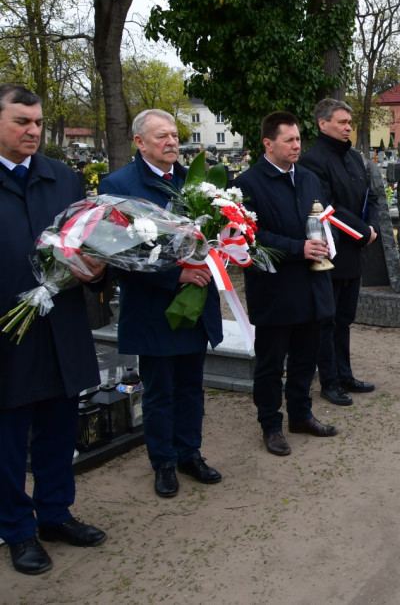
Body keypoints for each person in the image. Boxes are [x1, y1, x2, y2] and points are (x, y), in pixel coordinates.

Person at [0, 84, 108, 575]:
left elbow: (88, 242)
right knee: (7, 438)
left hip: (61, 326)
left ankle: (54, 514)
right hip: (8, 332)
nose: (33, 130)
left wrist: (95, 268)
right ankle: (17, 530)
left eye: (39, 122)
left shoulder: (62, 178)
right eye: (22, 121)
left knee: (58, 428)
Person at [99, 109, 224, 498]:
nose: (172, 142)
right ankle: (164, 462)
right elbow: (118, 255)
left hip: (195, 303)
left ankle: (190, 453)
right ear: (139, 142)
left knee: (191, 387)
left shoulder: (195, 181)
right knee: (159, 391)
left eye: (174, 135)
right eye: (161, 137)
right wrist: (175, 276)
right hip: (153, 309)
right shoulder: (119, 185)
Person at [234, 112, 364, 455]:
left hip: (313, 284)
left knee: (307, 357)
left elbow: (321, 219)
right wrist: (298, 248)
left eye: (298, 139)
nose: (297, 145)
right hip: (276, 289)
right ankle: (270, 424)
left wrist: (327, 242)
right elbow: (251, 236)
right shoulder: (247, 184)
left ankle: (301, 414)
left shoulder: (307, 178)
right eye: (289, 140)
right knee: (271, 363)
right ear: (268, 143)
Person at [297, 99, 379, 406]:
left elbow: (369, 196)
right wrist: (362, 233)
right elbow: (328, 208)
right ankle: (329, 381)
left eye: (349, 122)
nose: (348, 127)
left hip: (356, 250)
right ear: (323, 124)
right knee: (327, 320)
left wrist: (372, 228)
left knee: (345, 318)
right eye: (342, 122)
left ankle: (345, 374)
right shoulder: (313, 161)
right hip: (331, 252)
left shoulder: (355, 158)